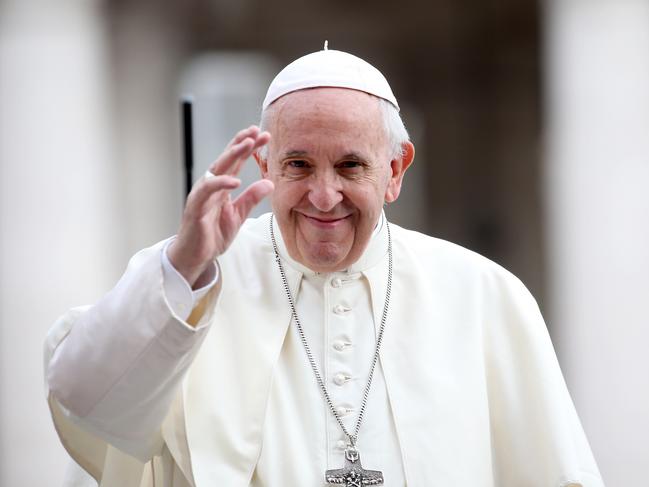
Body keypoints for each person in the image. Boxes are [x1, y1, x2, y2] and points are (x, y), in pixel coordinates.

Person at [45, 47, 604, 487]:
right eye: (298, 164)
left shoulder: (484, 295)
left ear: (395, 169)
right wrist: (183, 266)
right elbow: (85, 400)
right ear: (264, 163)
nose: (323, 194)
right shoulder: (189, 276)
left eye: (349, 165)